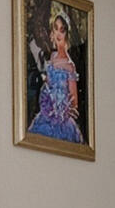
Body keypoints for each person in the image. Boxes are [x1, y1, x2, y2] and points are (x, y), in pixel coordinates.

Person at [29, 8, 85, 140]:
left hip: (62, 122)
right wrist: (47, 103)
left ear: (67, 34)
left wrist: (62, 110)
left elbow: (74, 102)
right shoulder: (52, 57)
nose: (58, 33)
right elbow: (46, 87)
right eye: (56, 28)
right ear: (52, 31)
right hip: (46, 116)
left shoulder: (70, 66)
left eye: (62, 30)